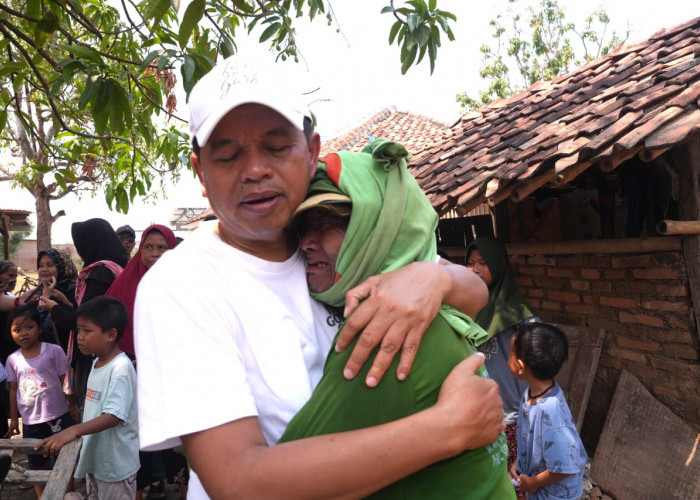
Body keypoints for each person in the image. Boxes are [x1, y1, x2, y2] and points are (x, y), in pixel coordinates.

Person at [134, 55, 503, 499]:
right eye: (228, 155)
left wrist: (433, 279)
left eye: (275, 147)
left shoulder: (351, 241)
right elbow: (237, 481)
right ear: (201, 174)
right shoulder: (182, 284)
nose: (254, 170)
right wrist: (448, 428)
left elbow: (476, 291)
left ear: (311, 152)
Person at [279, 139, 515, 498]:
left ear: (380, 229)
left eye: (326, 223)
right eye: (301, 228)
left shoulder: (386, 327)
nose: (306, 243)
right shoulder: (428, 302)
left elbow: (281, 489)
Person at [105, 225, 188, 498]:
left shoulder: (186, 285)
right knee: (139, 432)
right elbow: (107, 325)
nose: (154, 254)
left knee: (176, 430)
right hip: (135, 371)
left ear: (172, 250)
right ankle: (145, 487)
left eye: (162, 248)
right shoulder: (125, 283)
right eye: (148, 247)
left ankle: (184, 487)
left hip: (173, 373)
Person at [35, 296, 139, 499]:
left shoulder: (120, 368)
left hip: (115, 467)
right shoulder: (97, 362)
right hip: (97, 459)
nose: (79, 336)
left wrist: (74, 430)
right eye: (79, 329)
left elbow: (113, 416)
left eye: (86, 330)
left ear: (110, 335)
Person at [466, 236, 540, 481]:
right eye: (470, 262)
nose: (475, 269)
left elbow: (538, 375)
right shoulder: (465, 310)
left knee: (517, 481)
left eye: (483, 263)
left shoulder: (520, 317)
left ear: (497, 266)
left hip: (515, 416)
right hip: (480, 414)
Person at [5, 305, 77, 498]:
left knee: (64, 460)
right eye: (17, 329)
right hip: (31, 422)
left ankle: (68, 495)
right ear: (10, 332)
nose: (23, 333)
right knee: (37, 464)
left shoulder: (53, 351)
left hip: (59, 416)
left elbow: (65, 380)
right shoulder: (13, 360)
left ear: (39, 327)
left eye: (29, 327)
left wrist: (72, 406)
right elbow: (13, 390)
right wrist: (13, 419)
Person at [508, 322, 587, 499]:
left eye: (509, 354)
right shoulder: (531, 393)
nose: (507, 359)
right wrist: (519, 462)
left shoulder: (550, 411)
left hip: (555, 495)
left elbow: (565, 467)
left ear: (520, 367)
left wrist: (533, 483)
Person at [67, 218, 127, 409]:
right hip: (111, 346)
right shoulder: (116, 267)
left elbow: (84, 319)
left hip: (96, 350)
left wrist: (54, 309)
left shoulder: (99, 274)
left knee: (95, 405)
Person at [30, 249, 79, 350]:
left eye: (50, 265)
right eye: (41, 265)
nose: (44, 269)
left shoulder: (75, 291)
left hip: (68, 354)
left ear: (62, 266)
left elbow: (75, 321)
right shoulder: (39, 291)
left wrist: (50, 299)